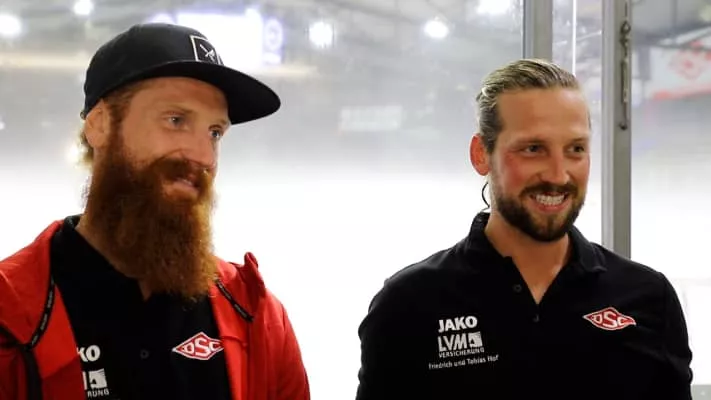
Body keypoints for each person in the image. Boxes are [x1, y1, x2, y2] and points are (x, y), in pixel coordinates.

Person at [0, 23, 309, 400]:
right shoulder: (11, 316)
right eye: (176, 120)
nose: (204, 156)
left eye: (214, 132)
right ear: (100, 125)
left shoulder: (258, 318)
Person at [355, 59, 692, 399]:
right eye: (533, 149)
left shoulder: (648, 298)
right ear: (481, 154)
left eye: (575, 149)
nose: (558, 175)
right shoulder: (409, 304)